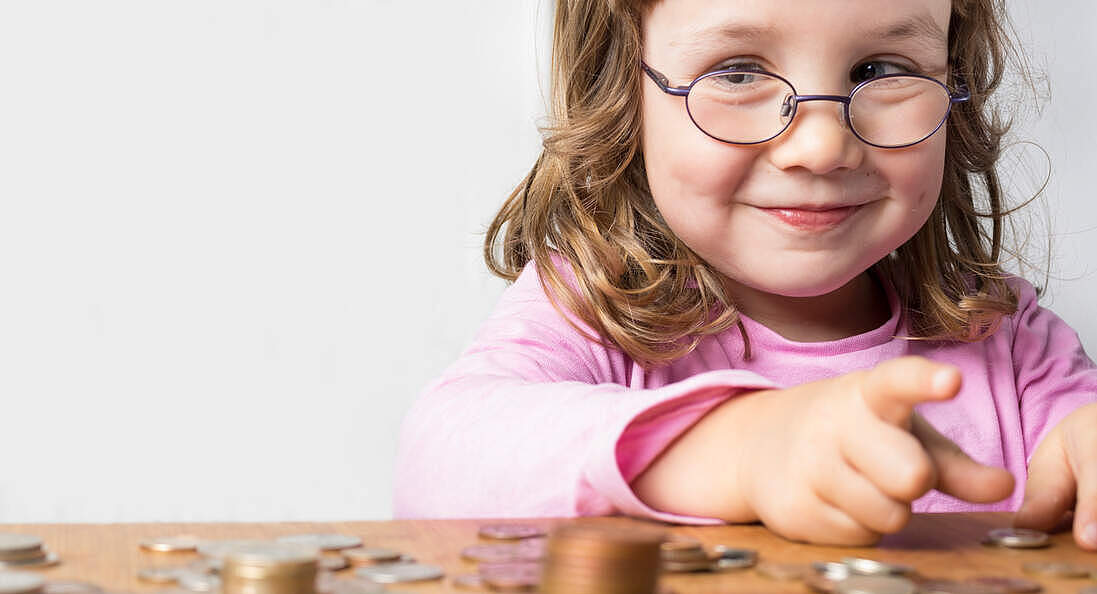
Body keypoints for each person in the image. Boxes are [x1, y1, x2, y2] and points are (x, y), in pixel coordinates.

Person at [394, 0, 1097, 549]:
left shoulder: (1011, 343)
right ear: (620, 91)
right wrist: (739, 447)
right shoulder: (588, 315)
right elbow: (435, 462)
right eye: (736, 72)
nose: (820, 147)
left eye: (880, 70)